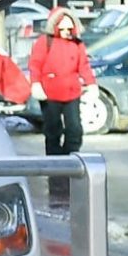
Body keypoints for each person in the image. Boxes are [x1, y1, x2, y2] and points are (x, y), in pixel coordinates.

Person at [29, 9, 96, 159]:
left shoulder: (77, 44)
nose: (66, 32)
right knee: (53, 129)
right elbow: (35, 64)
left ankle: (70, 158)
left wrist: (91, 84)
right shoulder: (45, 42)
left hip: (72, 93)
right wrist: (36, 83)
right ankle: (55, 162)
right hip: (50, 94)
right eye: (63, 28)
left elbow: (84, 65)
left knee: (75, 129)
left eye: (69, 29)